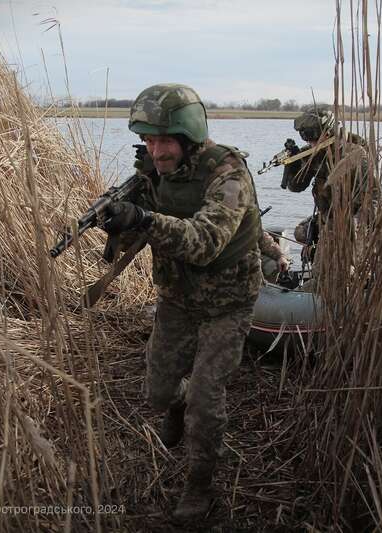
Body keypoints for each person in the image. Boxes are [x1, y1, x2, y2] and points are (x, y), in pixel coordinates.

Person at [100, 83, 263, 520]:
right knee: (158, 393)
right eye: (149, 141)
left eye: (165, 140)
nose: (156, 151)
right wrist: (121, 225)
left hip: (228, 303)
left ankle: (200, 486)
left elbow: (205, 242)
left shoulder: (228, 173)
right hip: (176, 299)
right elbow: (145, 232)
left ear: (188, 135)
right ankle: (177, 401)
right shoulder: (154, 175)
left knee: (206, 402)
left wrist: (146, 218)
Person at [280, 110, 367, 263]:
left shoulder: (355, 152)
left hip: (352, 219)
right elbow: (296, 187)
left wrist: (356, 227)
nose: (309, 141)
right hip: (327, 215)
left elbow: (373, 196)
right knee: (301, 232)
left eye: (312, 135)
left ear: (327, 132)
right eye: (304, 136)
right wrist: (293, 165)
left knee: (339, 253)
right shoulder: (312, 153)